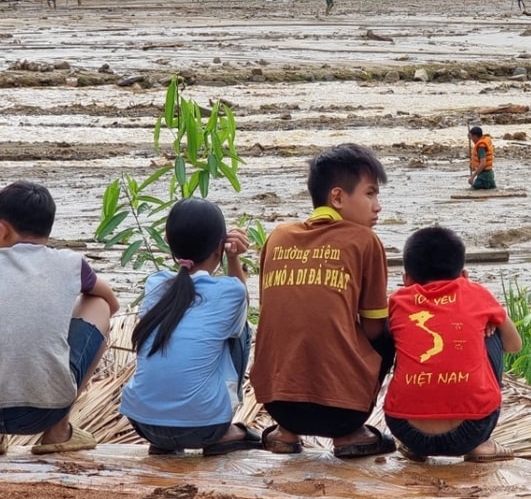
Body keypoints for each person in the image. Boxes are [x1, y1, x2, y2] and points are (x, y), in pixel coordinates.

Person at [250, 143, 397, 458]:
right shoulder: (365, 242)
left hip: (278, 405)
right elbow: (373, 331)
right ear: (338, 197)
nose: (377, 206)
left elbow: (277, 311)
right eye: (370, 194)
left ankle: (285, 434)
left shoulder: (277, 236)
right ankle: (349, 436)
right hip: (341, 412)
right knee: (390, 332)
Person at [119, 198, 260, 457]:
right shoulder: (230, 291)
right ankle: (228, 430)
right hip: (206, 428)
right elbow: (241, 299)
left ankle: (167, 439)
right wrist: (233, 258)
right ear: (219, 247)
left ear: (168, 241)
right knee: (242, 331)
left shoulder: (155, 284)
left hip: (144, 424)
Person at [384, 226, 522, 462]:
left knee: (401, 341)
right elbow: (514, 345)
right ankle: (483, 446)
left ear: (406, 279)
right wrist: (494, 319)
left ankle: (415, 447)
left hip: (406, 429)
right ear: (464, 276)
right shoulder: (476, 293)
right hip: (471, 430)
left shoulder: (397, 300)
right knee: (493, 332)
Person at [0, 181, 119, 455]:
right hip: (43, 412)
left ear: (2, 230)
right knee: (96, 304)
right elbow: (110, 303)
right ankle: (58, 431)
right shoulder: (70, 263)